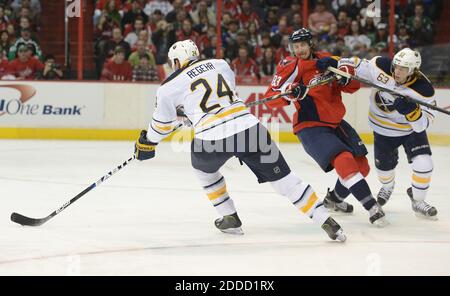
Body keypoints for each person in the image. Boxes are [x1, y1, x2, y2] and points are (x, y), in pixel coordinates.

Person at [134, 39, 346, 242]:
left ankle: (229, 217)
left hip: (212, 137)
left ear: (177, 61)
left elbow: (161, 126)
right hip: (249, 127)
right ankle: (326, 221)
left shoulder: (168, 86)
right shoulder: (220, 64)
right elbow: (225, 94)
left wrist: (147, 142)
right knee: (286, 181)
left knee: (203, 171)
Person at [264, 28, 388, 227]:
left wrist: (340, 74)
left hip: (336, 123)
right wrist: (291, 93)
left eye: (303, 45)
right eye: (296, 46)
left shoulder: (328, 59)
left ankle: (334, 199)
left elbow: (353, 87)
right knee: (344, 159)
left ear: (311, 44)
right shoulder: (290, 65)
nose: (299, 50)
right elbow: (271, 98)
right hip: (311, 125)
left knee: (362, 167)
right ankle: (372, 207)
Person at [325, 48, 438, 219]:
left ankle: (418, 201)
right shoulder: (381, 66)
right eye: (396, 66)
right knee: (384, 171)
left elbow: (423, 124)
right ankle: (387, 187)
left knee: (424, 163)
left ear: (413, 70)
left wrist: (412, 112)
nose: (397, 71)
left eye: (403, 69)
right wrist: (335, 62)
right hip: (383, 130)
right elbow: (358, 66)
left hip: (409, 130)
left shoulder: (424, 90)